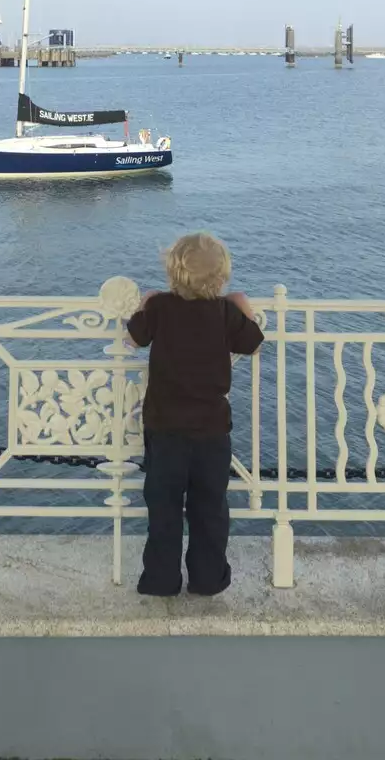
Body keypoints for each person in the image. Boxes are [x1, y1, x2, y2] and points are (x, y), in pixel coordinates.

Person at [126, 232, 263, 597]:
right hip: (211, 433)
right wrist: (242, 304)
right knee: (209, 511)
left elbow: (135, 336)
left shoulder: (160, 308)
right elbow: (253, 342)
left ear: (173, 273)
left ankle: (160, 579)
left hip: (165, 430)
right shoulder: (224, 312)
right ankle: (207, 578)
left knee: (164, 510)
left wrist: (145, 301)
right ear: (221, 278)